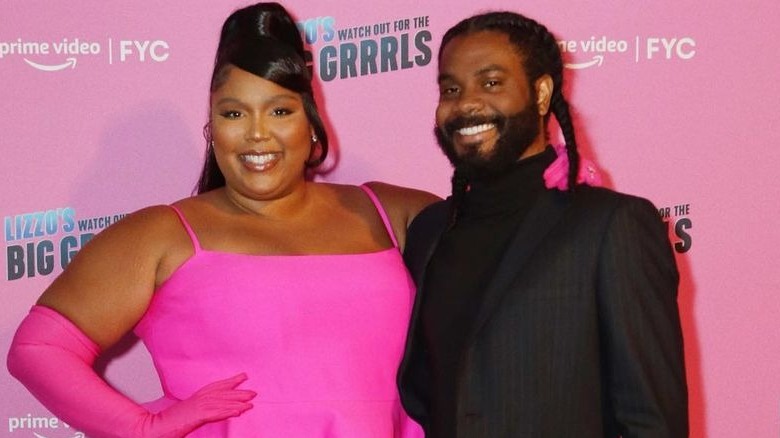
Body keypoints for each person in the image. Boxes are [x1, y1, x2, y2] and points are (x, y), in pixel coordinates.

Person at [6, 3, 436, 437]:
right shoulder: (162, 235)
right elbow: (38, 349)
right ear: (212, 128)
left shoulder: (391, 213)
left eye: (279, 111)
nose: (256, 133)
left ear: (310, 121)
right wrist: (142, 427)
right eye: (233, 113)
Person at [397, 11, 689, 437]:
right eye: (451, 89)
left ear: (541, 93)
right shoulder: (430, 233)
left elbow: (653, 423)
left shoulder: (613, 226)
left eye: (491, 82)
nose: (466, 104)